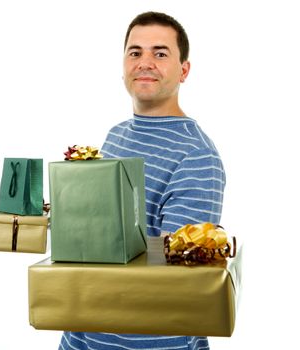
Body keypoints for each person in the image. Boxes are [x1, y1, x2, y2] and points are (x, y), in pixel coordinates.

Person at [59, 11, 226, 350]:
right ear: (123, 65)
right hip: (82, 336)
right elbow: (99, 234)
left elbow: (174, 278)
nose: (145, 62)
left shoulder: (196, 156)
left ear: (184, 70)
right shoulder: (116, 136)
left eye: (160, 53)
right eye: (135, 52)